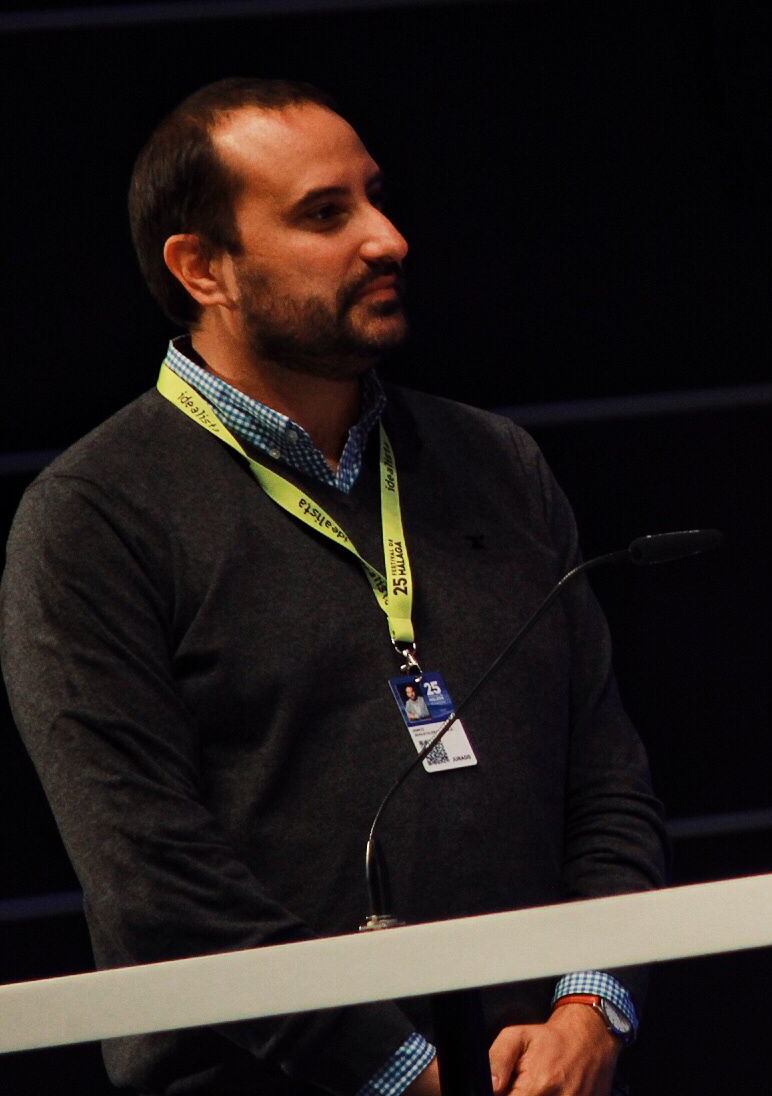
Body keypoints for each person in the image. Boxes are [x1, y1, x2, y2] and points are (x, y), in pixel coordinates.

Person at [0, 79, 667, 1096]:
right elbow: (152, 873)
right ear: (202, 267)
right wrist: (401, 1069)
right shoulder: (94, 515)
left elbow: (607, 773)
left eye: (375, 196)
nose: (388, 237)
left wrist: (592, 1002)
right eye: (326, 213)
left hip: (546, 1067)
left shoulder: (496, 460)